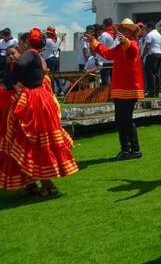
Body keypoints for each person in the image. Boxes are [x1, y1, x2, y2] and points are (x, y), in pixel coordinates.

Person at [0, 28, 78, 196]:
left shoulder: (30, 54)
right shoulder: (38, 56)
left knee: (33, 143)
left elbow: (19, 65)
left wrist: (14, 77)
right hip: (37, 100)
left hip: (33, 102)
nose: (18, 47)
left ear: (27, 43)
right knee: (27, 143)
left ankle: (47, 185)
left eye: (20, 43)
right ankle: (32, 183)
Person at [88, 18, 144, 159]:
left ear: (131, 32)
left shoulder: (134, 45)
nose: (122, 32)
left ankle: (135, 149)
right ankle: (126, 149)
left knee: (126, 119)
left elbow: (130, 50)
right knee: (120, 119)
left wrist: (124, 40)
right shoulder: (119, 47)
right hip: (120, 88)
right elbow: (107, 53)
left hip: (130, 89)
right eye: (122, 30)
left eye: (125, 30)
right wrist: (93, 42)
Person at [142, 22, 161, 98]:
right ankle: (157, 92)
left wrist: (142, 56)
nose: (146, 30)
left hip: (152, 55)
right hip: (159, 54)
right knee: (157, 74)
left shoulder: (150, 35)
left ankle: (152, 92)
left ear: (150, 27)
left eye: (146, 28)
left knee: (150, 74)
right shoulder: (159, 35)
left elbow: (147, 46)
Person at [42, 27, 64, 95]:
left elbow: (41, 45)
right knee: (56, 75)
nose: (47, 34)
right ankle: (60, 90)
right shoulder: (58, 40)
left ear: (50, 33)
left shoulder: (47, 40)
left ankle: (52, 91)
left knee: (50, 75)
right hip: (56, 58)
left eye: (48, 33)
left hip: (49, 59)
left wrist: (43, 37)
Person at [97, 18, 116, 86]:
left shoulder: (104, 35)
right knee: (114, 81)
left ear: (104, 25)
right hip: (115, 61)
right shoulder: (116, 34)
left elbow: (101, 49)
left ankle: (107, 95)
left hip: (106, 62)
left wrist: (98, 60)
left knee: (105, 81)